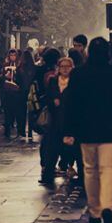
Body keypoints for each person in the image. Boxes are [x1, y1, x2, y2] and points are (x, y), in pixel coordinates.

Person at [63, 38, 112, 223]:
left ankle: (95, 211)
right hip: (109, 130)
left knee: (89, 170)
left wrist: (68, 131)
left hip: (86, 131)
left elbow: (70, 104)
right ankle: (107, 206)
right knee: (107, 169)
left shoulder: (79, 74)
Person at [39, 56, 77, 185]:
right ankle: (48, 173)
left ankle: (69, 167)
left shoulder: (75, 81)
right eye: (62, 66)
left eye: (68, 66)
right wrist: (53, 101)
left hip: (71, 120)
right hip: (55, 120)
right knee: (52, 147)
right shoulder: (53, 81)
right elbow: (47, 97)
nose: (65, 69)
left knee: (71, 147)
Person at [0, 50, 23, 138]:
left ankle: (19, 131)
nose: (12, 57)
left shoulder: (19, 65)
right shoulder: (5, 65)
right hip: (7, 92)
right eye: (11, 55)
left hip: (16, 92)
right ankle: (7, 131)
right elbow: (1, 78)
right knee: (7, 113)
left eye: (14, 55)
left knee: (17, 112)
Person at [17, 51, 38, 140]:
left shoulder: (19, 68)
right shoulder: (34, 68)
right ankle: (30, 132)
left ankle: (21, 131)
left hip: (21, 92)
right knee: (31, 112)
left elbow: (17, 81)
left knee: (21, 112)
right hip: (31, 92)